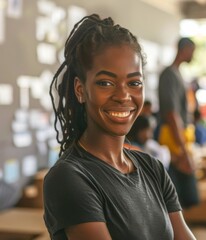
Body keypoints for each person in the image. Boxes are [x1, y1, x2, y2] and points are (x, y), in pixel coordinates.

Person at [43, 14, 196, 240]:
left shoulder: (152, 168)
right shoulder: (69, 177)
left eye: (134, 83)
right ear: (80, 90)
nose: (123, 96)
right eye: (106, 83)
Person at [158, 37, 199, 208]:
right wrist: (181, 147)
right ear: (185, 49)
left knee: (183, 193)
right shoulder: (170, 74)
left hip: (179, 136)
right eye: (192, 51)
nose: (193, 55)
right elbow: (171, 114)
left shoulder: (178, 74)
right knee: (181, 192)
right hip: (173, 137)